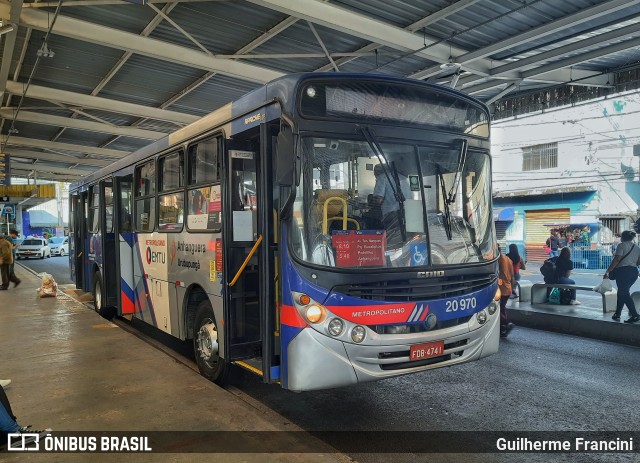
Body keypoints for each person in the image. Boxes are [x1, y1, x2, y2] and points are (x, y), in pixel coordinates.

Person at [604, 230, 640, 323]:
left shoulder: (621, 245)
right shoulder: (637, 247)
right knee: (622, 292)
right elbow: (638, 262)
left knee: (623, 292)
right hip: (634, 272)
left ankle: (635, 315)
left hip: (623, 272)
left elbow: (617, 259)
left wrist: (609, 270)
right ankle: (617, 314)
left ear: (622, 237)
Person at [372, 163, 411, 248]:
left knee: (390, 239)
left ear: (377, 173)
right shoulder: (403, 178)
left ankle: (388, 253)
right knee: (402, 237)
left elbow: (379, 199)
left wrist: (371, 202)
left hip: (391, 215)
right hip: (406, 213)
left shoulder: (382, 177)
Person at [498, 247, 515, 337]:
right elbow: (512, 276)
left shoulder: (499, 261)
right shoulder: (508, 259)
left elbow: (499, 276)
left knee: (499, 308)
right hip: (508, 287)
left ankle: (505, 323)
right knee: (502, 307)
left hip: (501, 288)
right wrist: (512, 288)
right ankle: (503, 326)